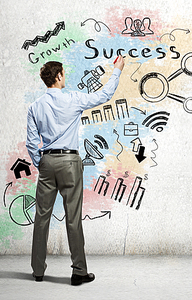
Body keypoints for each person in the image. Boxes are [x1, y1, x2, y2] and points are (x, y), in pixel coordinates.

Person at [26, 57, 125, 285]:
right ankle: (79, 271)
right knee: (73, 218)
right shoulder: (74, 98)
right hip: (70, 161)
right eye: (63, 73)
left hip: (47, 162)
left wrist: (41, 163)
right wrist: (117, 70)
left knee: (42, 217)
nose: (65, 77)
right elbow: (104, 96)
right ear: (58, 76)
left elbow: (32, 142)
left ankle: (38, 270)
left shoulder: (35, 106)